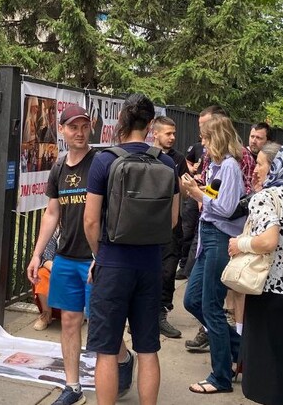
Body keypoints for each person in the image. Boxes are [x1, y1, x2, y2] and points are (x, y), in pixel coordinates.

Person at [28, 105, 133, 405]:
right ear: (61, 130)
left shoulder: (100, 164)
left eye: (84, 126)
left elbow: (113, 212)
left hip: (95, 258)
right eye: (73, 127)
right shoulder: (59, 167)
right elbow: (51, 213)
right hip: (65, 258)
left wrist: (103, 255)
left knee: (102, 325)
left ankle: (124, 358)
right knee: (71, 321)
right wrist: (37, 254)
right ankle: (72, 386)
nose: (79, 132)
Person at [85, 94, 180, 404]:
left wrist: (99, 255)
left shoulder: (104, 161)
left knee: (108, 349)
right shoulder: (165, 162)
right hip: (150, 264)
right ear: (150, 125)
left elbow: (90, 221)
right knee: (148, 347)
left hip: (113, 263)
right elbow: (173, 219)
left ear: (121, 120)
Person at [228, 142, 283, 405]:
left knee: (265, 366)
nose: (255, 169)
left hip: (271, 287)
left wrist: (239, 244)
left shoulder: (266, 198)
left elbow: (268, 241)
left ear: (275, 167)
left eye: (261, 164)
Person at [181, 115, 245, 394]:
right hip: (209, 235)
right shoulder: (219, 165)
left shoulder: (229, 165)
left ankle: (221, 375)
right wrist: (199, 189)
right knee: (192, 299)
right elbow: (217, 198)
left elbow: (227, 207)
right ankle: (242, 351)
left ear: (217, 138)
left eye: (205, 138)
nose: (202, 144)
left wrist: (197, 194)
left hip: (219, 236)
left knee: (211, 307)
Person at [152, 115, 188, 339]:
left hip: (172, 226)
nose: (172, 137)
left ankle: (162, 314)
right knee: (149, 272)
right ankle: (145, 314)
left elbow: (184, 191)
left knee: (167, 272)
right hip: (149, 224)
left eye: (174, 133)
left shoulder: (178, 159)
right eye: (168, 133)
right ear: (155, 133)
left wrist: (185, 185)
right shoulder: (146, 156)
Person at [32, 230, 59, 331]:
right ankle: (46, 314)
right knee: (41, 273)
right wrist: (58, 271)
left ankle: (80, 314)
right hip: (56, 268)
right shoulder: (55, 231)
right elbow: (45, 257)